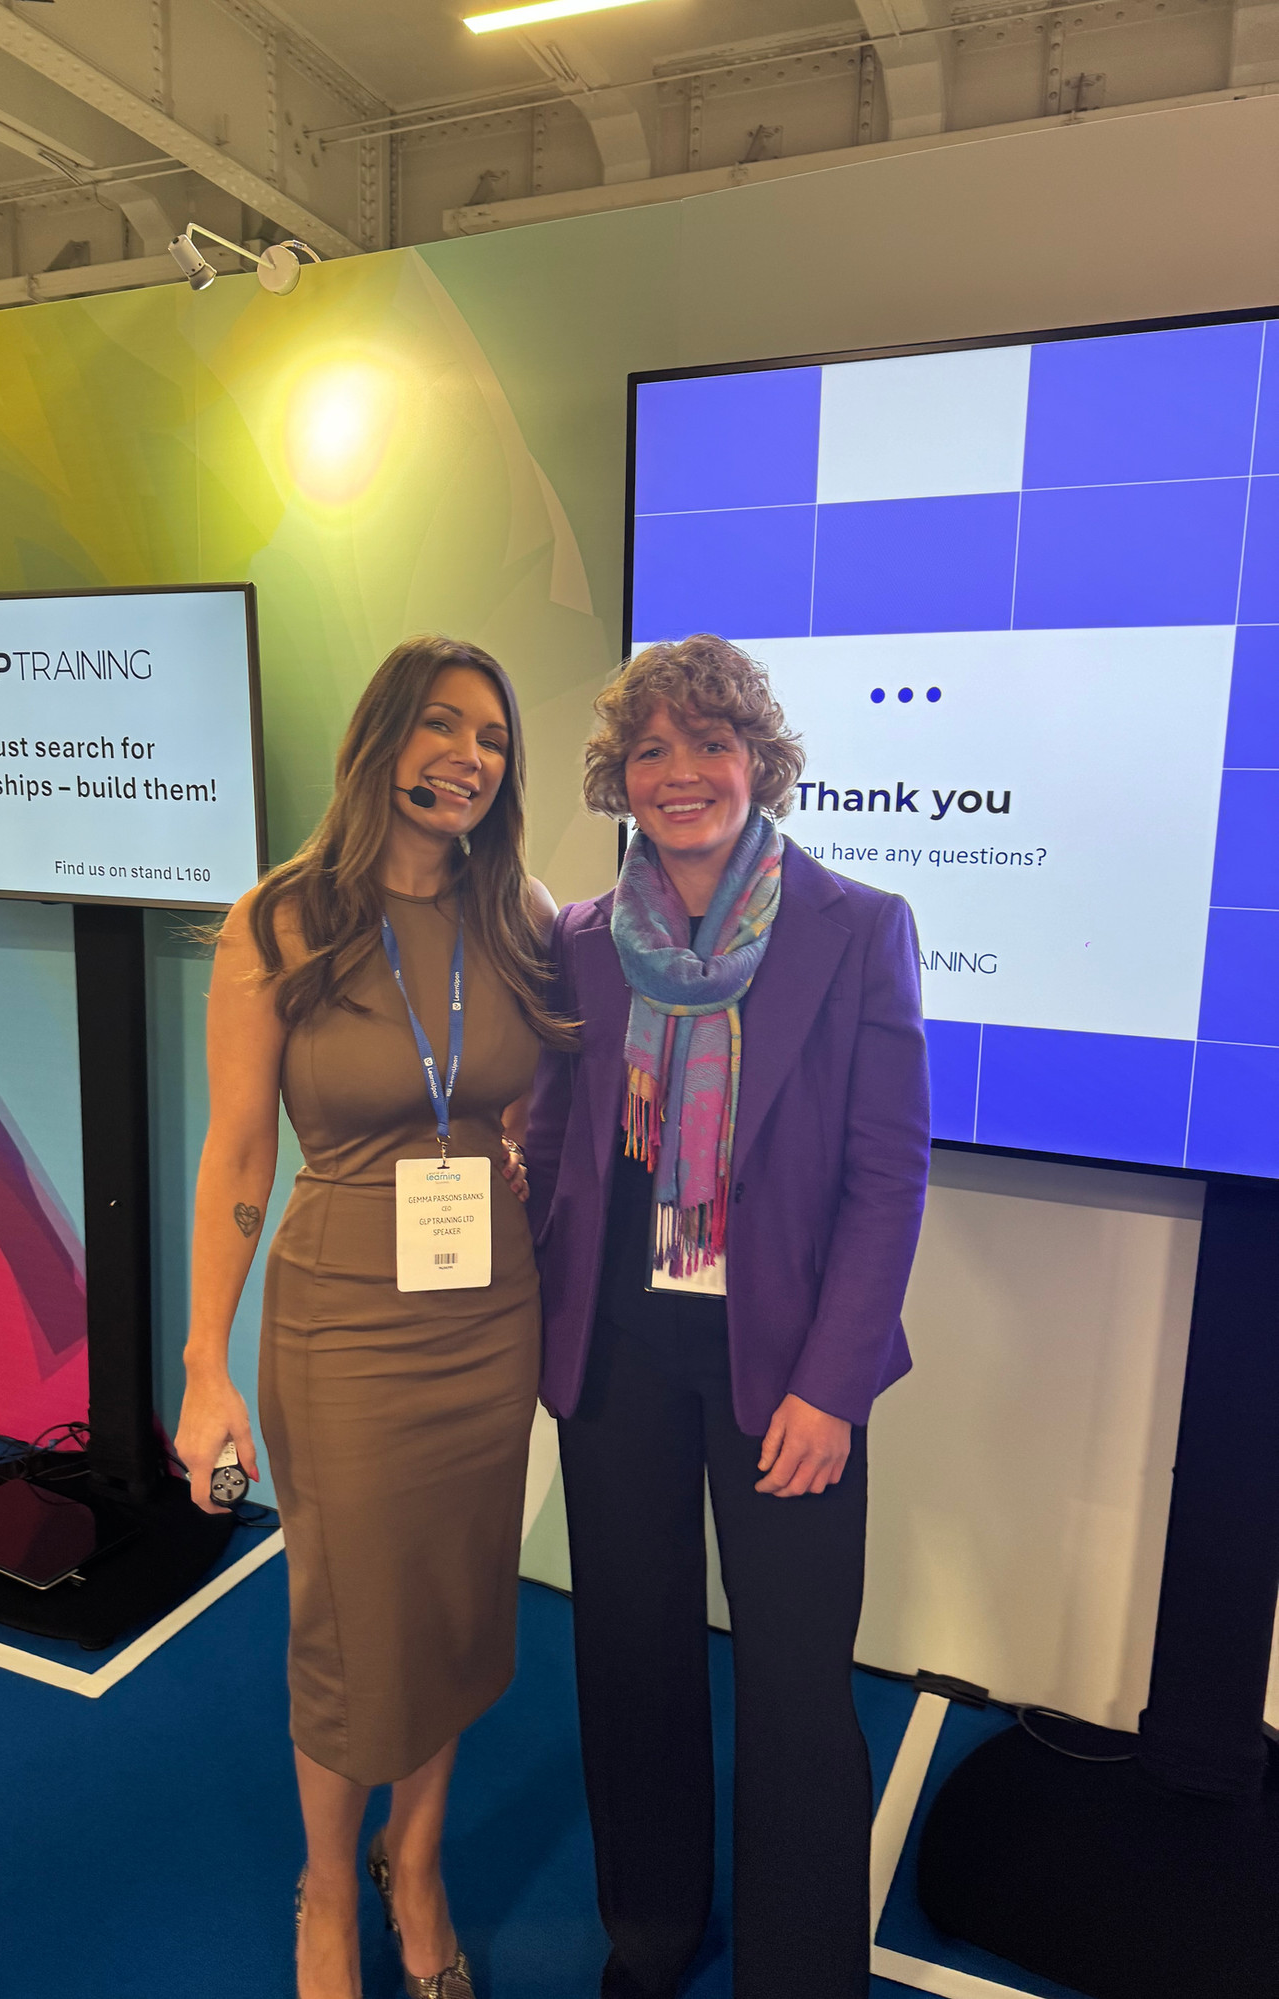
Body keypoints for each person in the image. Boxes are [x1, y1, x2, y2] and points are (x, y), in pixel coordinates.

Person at [525, 635, 931, 1999]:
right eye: (651, 749)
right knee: (631, 1661)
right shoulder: (582, 946)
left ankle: (803, 1973)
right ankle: (649, 1932)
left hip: (786, 1369)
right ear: (621, 778)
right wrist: (535, 1328)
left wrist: (834, 1389)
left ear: (760, 762)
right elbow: (550, 1149)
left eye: (710, 742)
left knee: (798, 1688)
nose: (682, 771)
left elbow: (888, 1177)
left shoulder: (857, 927)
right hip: (622, 1355)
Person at [175, 635, 565, 1999]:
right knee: (351, 1614)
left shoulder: (524, 913)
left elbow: (514, 1086)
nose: (470, 756)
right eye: (444, 726)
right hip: (342, 1321)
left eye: (494, 738)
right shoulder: (281, 921)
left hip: (485, 1313)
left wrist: (504, 1141)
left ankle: (423, 1855)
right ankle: (330, 1895)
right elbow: (236, 1156)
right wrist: (202, 1369)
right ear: (383, 738)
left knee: (456, 1597)